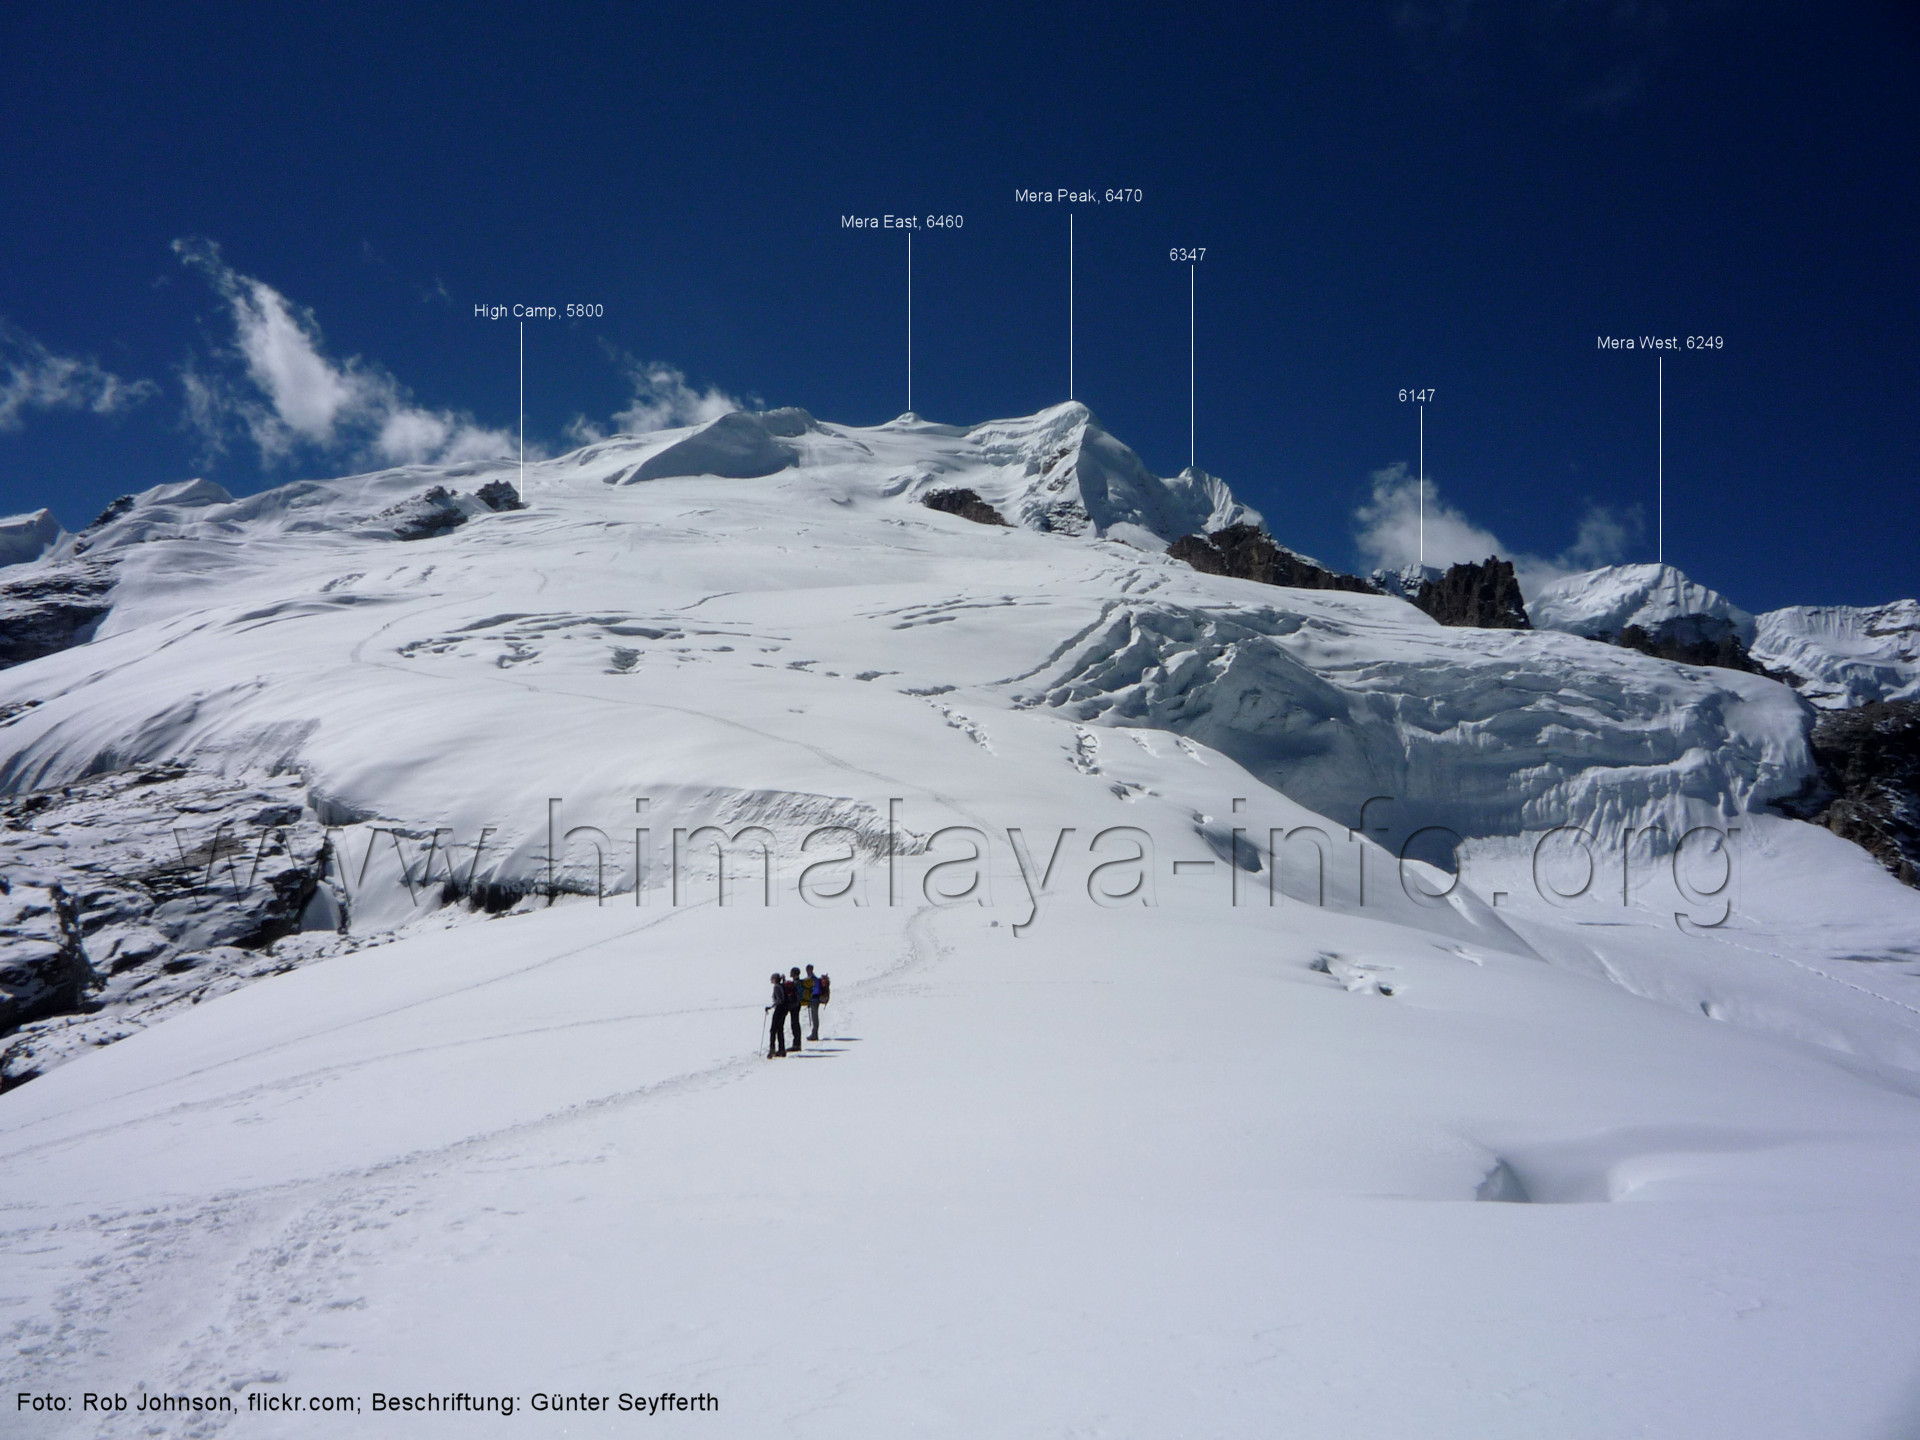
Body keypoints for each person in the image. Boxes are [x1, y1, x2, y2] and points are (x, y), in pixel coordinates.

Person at [767, 972, 789, 1058]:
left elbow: (780, 999)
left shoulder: (776, 987)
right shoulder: (782, 985)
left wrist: (771, 1007)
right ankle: (781, 1049)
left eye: (772, 978)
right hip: (784, 1009)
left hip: (779, 1009)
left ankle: (772, 1050)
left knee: (773, 1030)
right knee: (780, 1029)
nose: (771, 980)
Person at [785, 967, 805, 1052]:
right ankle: (797, 1043)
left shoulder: (796, 983)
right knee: (795, 1023)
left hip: (795, 1004)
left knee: (794, 1023)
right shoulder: (798, 982)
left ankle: (797, 1044)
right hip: (797, 1004)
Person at [803, 964, 824, 1041]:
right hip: (814, 1000)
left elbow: (815, 990)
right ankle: (814, 1033)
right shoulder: (814, 978)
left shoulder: (812, 979)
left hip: (814, 1000)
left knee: (815, 1017)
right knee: (814, 1017)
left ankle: (815, 1034)